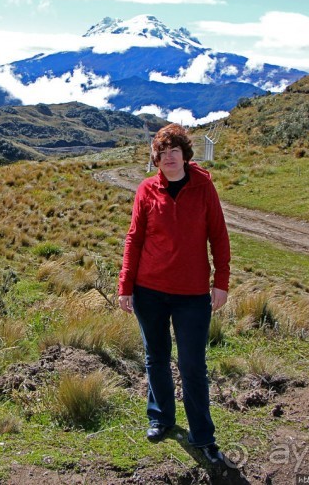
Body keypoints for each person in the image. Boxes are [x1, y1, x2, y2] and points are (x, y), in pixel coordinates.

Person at [118, 123, 230, 465]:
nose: (168, 159)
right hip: (149, 290)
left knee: (192, 364)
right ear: (156, 159)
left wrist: (221, 281)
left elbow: (219, 236)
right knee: (156, 357)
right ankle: (161, 418)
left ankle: (203, 436)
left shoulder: (203, 187)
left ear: (185, 155)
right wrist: (126, 286)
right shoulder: (146, 190)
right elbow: (134, 239)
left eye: (174, 152)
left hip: (193, 294)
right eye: (162, 154)